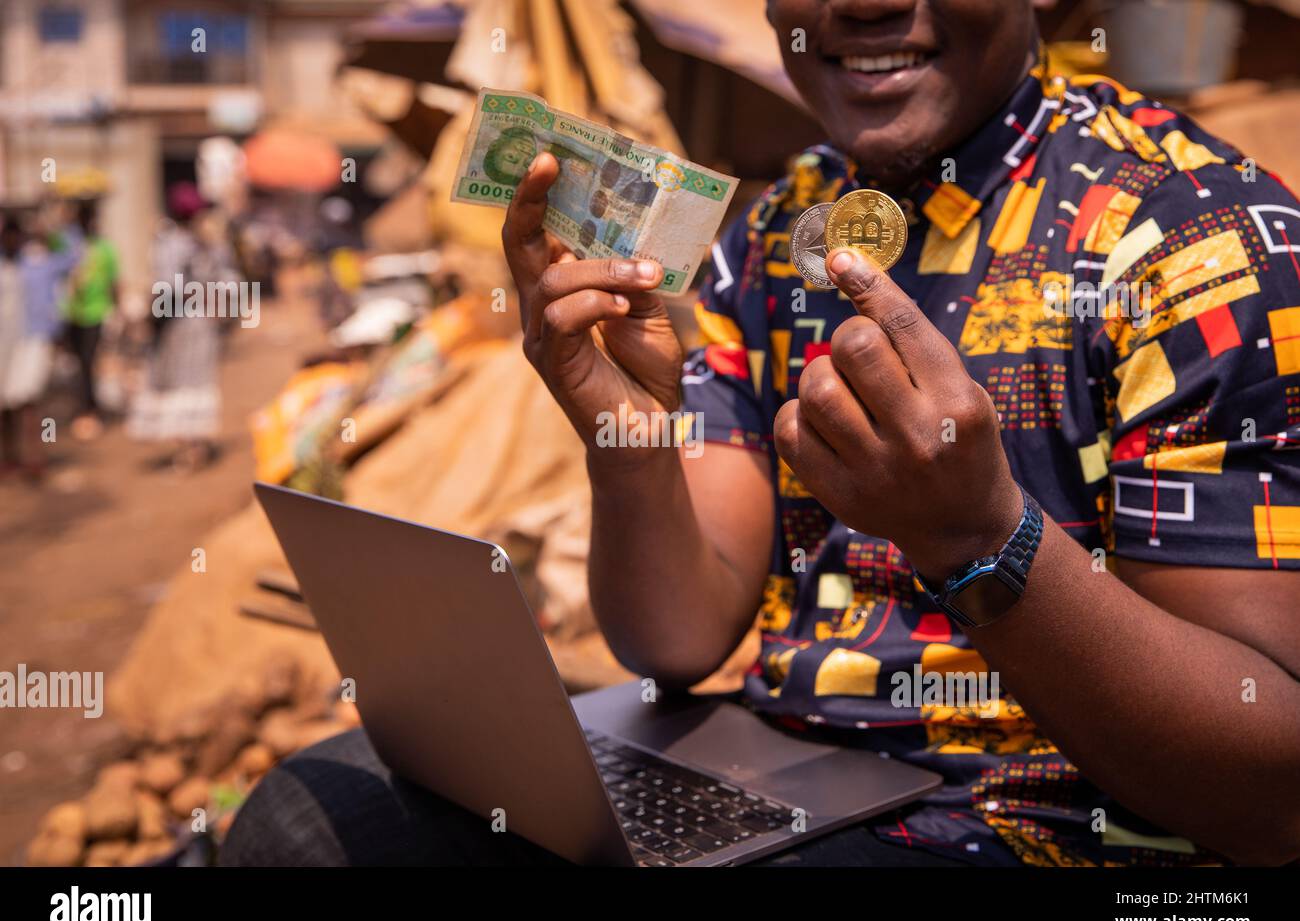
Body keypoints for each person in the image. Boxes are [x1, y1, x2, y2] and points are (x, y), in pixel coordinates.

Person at [223, 0, 1300, 867]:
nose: (867, 5)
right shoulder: (785, 221)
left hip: (1040, 820)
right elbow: (678, 637)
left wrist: (979, 541)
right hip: (784, 767)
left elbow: (1265, 793)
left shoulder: (1198, 236)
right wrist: (628, 444)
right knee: (308, 817)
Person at [127, 184, 227, 470]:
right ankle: (193, 447)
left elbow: (167, 288)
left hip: (179, 327)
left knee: (180, 384)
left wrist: (149, 315)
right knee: (195, 383)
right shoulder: (205, 245)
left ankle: (189, 450)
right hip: (200, 325)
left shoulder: (171, 244)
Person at [0, 214, 81, 480]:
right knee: (7, 405)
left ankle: (35, 457)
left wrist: (58, 227)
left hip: (31, 343)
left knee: (29, 401)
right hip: (4, 347)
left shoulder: (38, 263)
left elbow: (73, 256)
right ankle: (9, 457)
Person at [62, 200, 119, 440]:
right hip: (71, 312)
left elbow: (114, 281)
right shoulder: (67, 245)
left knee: (88, 360)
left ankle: (90, 409)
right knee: (77, 362)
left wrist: (116, 309)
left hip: (96, 312)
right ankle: (86, 405)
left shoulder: (105, 248)